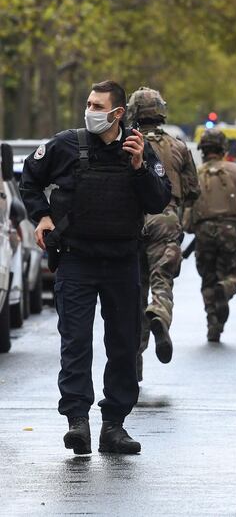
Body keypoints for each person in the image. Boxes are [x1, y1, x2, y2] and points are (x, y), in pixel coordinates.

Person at [19, 80, 171, 454]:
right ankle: (77, 421)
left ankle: (114, 425)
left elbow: (158, 199)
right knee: (75, 343)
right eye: (88, 103)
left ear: (118, 113)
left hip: (122, 261)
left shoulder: (139, 148)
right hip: (76, 260)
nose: (90, 111)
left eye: (97, 105)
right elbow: (29, 180)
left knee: (122, 345)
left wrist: (139, 167)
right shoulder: (65, 145)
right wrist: (41, 218)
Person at [128, 87, 200, 381]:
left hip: (132, 224)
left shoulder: (127, 144)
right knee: (161, 280)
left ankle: (134, 363)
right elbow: (193, 190)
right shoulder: (179, 147)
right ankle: (159, 313)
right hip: (166, 221)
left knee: (133, 291)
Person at [184, 129, 236, 343]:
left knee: (208, 278)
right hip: (231, 231)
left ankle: (213, 322)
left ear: (203, 151)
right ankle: (227, 287)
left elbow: (187, 210)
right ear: (223, 149)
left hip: (203, 233)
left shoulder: (196, 173)